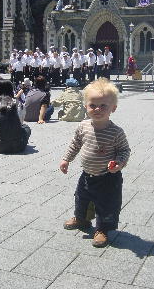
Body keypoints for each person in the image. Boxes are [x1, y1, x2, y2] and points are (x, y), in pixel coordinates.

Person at [60, 78, 130, 247]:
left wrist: (119, 163)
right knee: (81, 197)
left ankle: (102, 229)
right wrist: (66, 159)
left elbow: (124, 151)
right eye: (92, 105)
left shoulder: (116, 132)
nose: (97, 109)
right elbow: (75, 144)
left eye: (103, 106)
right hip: (87, 174)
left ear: (113, 108)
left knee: (106, 204)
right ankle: (82, 219)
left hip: (107, 177)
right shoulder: (83, 126)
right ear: (86, 106)